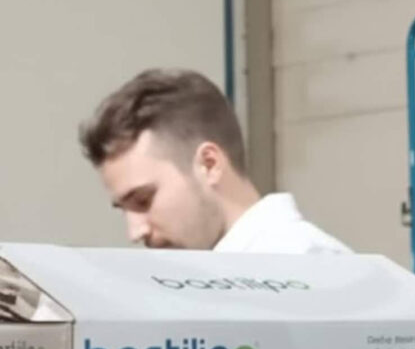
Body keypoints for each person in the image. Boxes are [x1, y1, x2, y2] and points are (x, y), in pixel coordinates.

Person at [79, 68, 351, 255]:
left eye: (143, 201)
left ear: (209, 164)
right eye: (124, 209)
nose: (135, 232)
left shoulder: (307, 271)